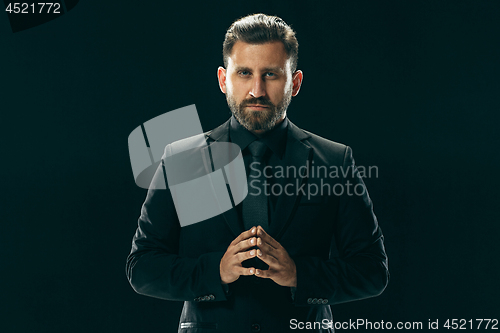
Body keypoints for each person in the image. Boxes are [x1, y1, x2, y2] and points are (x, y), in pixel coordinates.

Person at [126, 13, 389, 333]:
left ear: (296, 82)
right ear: (224, 80)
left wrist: (298, 275)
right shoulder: (181, 160)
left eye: (271, 75)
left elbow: (372, 271)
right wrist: (216, 271)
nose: (257, 90)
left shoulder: (335, 161)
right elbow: (142, 268)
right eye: (245, 73)